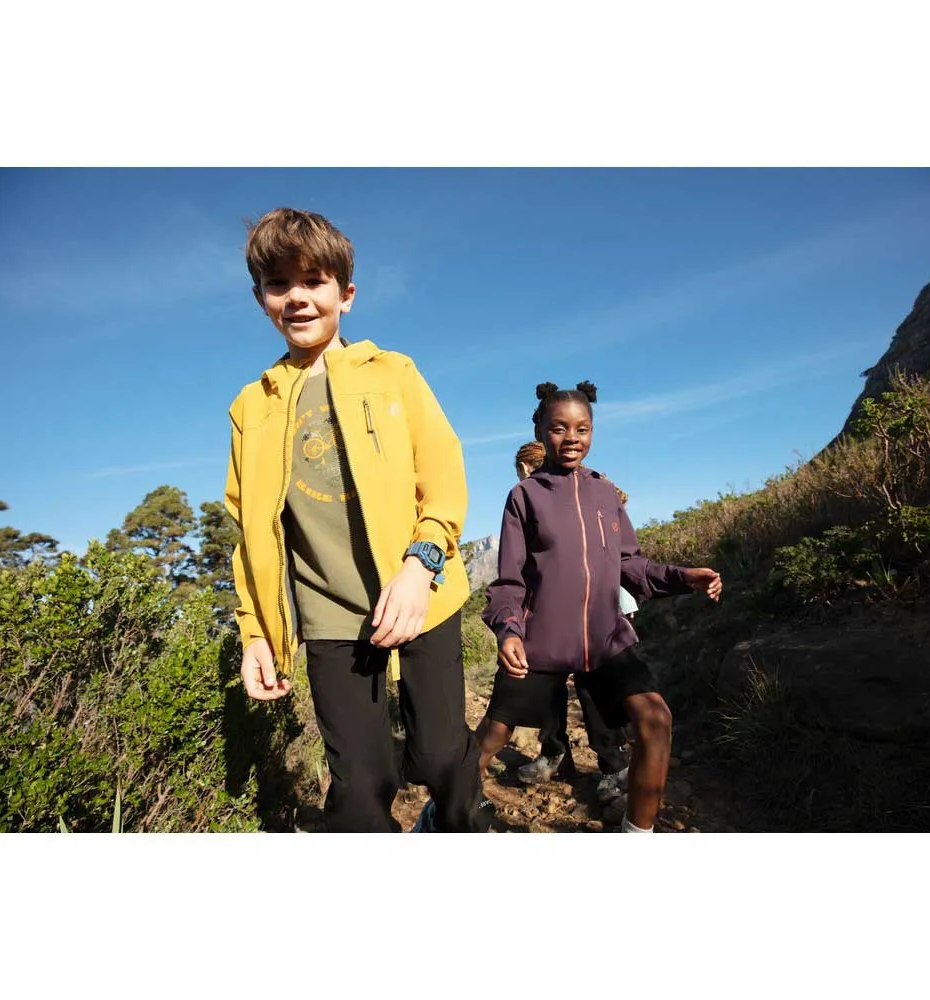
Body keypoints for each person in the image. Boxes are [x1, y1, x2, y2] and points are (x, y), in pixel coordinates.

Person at [223, 207, 491, 833]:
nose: (297, 297)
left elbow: (443, 476)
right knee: (360, 789)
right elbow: (248, 529)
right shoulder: (251, 405)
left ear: (345, 294)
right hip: (330, 617)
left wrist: (421, 566)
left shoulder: (393, 373)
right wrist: (256, 632)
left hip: (420, 596)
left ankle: (458, 824)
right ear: (261, 299)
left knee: (440, 756)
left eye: (313, 281)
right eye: (278, 284)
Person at [477, 381, 722, 832]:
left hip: (605, 639)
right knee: (493, 734)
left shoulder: (605, 494)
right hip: (542, 642)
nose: (572, 438)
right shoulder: (525, 497)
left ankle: (636, 834)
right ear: (540, 429)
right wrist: (509, 630)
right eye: (559, 428)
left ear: (592, 431)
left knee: (655, 720)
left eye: (582, 429)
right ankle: (447, 814)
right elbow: (510, 579)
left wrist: (683, 577)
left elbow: (630, 564)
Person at [511, 440, 631, 803]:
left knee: (589, 685)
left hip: (591, 610)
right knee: (557, 685)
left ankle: (608, 764)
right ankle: (563, 755)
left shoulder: (564, 494)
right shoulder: (549, 497)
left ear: (526, 468)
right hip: (558, 611)